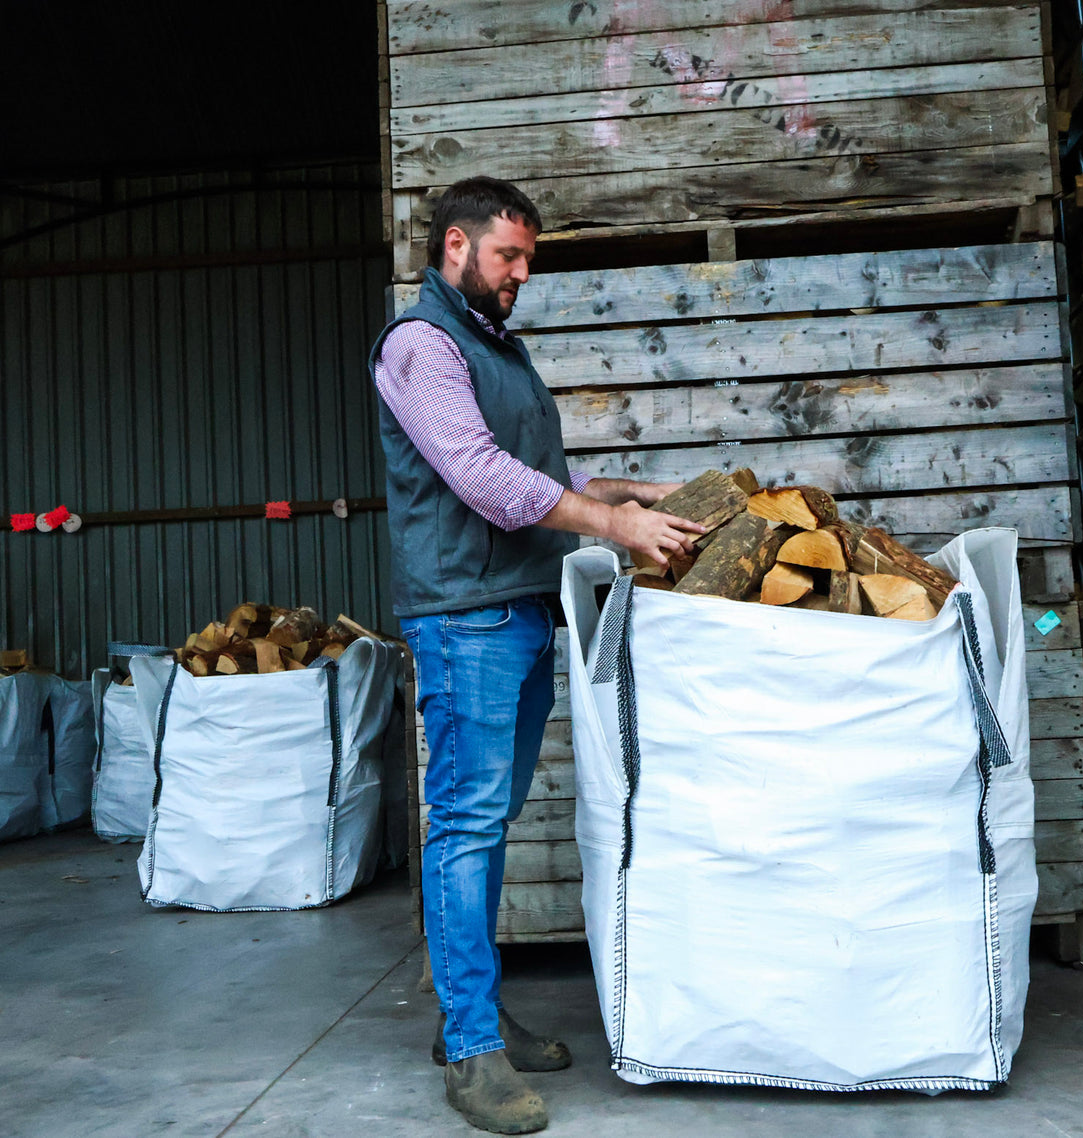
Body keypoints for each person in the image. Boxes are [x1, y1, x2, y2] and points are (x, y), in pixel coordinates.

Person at [369, 176, 704, 1134]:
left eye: (528, 259)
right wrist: (606, 523)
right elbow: (479, 476)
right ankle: (469, 1048)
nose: (522, 274)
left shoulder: (494, 348)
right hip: (463, 617)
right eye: (508, 256)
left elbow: (549, 480)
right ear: (454, 249)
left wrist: (639, 495)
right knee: (466, 826)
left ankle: (470, 1012)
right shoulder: (421, 345)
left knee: (493, 818)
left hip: (516, 608)